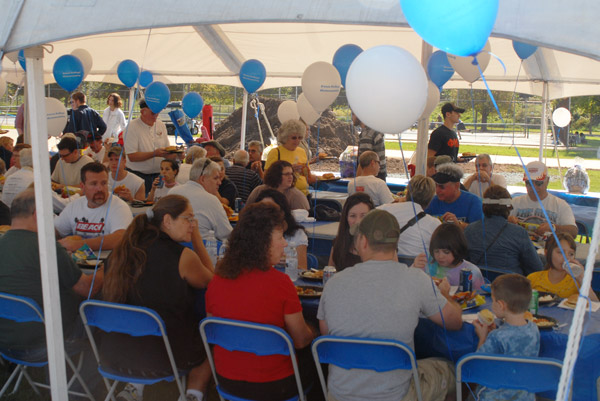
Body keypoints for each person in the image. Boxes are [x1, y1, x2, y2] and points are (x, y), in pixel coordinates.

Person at [318, 209, 462, 401]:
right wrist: (446, 296)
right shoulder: (416, 280)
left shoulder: (334, 282)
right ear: (396, 244)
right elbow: (455, 322)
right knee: (456, 371)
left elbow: (326, 334)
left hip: (339, 395)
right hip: (398, 395)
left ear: (363, 242)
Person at [101, 195, 214, 401]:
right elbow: (213, 283)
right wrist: (197, 240)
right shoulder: (183, 257)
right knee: (210, 332)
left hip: (116, 355)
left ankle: (133, 388)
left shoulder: (122, 251)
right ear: (168, 221)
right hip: (164, 358)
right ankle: (193, 394)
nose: (193, 224)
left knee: (142, 324)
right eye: (188, 219)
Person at [205, 202, 317, 400]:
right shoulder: (281, 283)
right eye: (280, 237)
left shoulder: (217, 279)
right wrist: (314, 330)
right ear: (262, 243)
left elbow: (213, 329)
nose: (285, 243)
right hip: (274, 386)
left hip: (227, 381)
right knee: (319, 363)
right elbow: (301, 340)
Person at [0, 188, 103, 352]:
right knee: (103, 303)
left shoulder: (4, 243)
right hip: (50, 339)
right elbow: (89, 289)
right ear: (36, 214)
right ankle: (103, 367)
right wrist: (106, 268)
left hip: (6, 340)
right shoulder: (45, 247)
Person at [473, 274, 540, 401]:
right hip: (525, 396)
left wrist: (482, 337)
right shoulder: (533, 329)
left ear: (500, 305)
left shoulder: (497, 336)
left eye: (492, 300)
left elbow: (478, 367)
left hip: (495, 396)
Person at [54, 162, 133, 251]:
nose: (100, 188)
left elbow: (120, 238)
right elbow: (56, 231)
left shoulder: (119, 207)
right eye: (94, 184)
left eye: (103, 183)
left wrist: (77, 245)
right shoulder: (74, 206)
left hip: (108, 263)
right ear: (82, 187)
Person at [465, 186, 543, 276]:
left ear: (484, 206)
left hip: (478, 284)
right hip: (510, 286)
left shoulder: (469, 230)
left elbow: (464, 262)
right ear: (508, 208)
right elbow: (536, 269)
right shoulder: (519, 233)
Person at [509, 161, 578, 237]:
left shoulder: (560, 205)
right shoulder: (515, 202)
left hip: (548, 247)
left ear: (547, 181)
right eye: (529, 183)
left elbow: (573, 231)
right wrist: (507, 222)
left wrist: (554, 228)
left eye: (538, 183)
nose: (533, 187)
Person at [169, 158, 232, 240]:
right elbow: (226, 234)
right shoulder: (211, 200)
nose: (219, 182)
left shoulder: (173, 191)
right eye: (216, 178)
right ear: (202, 179)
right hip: (202, 249)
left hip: (172, 247)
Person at [378, 175, 441, 257]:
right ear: (430, 199)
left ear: (407, 192)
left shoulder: (384, 210)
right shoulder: (435, 224)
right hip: (420, 268)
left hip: (387, 264)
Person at [124, 98, 178, 193]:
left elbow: (166, 150)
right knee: (141, 204)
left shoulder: (160, 124)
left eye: (158, 112)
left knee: (157, 202)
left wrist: (177, 155)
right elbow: (132, 156)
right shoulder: (132, 127)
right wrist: (154, 153)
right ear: (143, 111)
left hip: (159, 175)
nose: (156, 115)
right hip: (138, 175)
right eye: (153, 113)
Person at [527, 233, 598, 301]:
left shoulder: (576, 282)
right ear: (547, 252)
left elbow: (595, 305)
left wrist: (582, 279)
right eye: (560, 252)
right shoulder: (533, 279)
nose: (566, 257)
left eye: (571, 254)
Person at [255, 189, 308, 270]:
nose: (266, 213)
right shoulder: (250, 233)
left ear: (283, 212)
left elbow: (302, 269)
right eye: (262, 209)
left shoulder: (297, 234)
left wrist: (289, 262)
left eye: (271, 209)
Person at [265, 119, 316, 197]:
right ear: (285, 137)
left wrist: (321, 178)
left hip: (304, 194)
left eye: (300, 137)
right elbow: (266, 177)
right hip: (283, 196)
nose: (297, 141)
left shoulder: (302, 151)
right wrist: (289, 170)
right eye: (294, 138)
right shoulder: (275, 152)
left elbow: (307, 176)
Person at [427, 223, 485, 290]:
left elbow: (481, 297)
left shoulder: (472, 272)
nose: (440, 256)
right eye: (436, 251)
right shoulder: (428, 266)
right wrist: (415, 267)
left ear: (458, 249)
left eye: (446, 252)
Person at [425, 162, 483, 226]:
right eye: (436, 186)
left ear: (456, 186)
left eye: (442, 187)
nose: (437, 190)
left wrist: (458, 224)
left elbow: (479, 230)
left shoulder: (474, 202)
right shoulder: (432, 202)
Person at [328, 192, 374, 271]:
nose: (358, 221)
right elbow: (329, 274)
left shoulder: (383, 246)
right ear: (346, 218)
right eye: (353, 216)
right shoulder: (339, 243)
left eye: (363, 216)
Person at [352, 112, 387, 181]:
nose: (351, 117)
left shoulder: (367, 135)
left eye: (353, 114)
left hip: (373, 177)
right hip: (379, 175)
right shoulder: (373, 130)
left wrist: (356, 182)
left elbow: (364, 161)